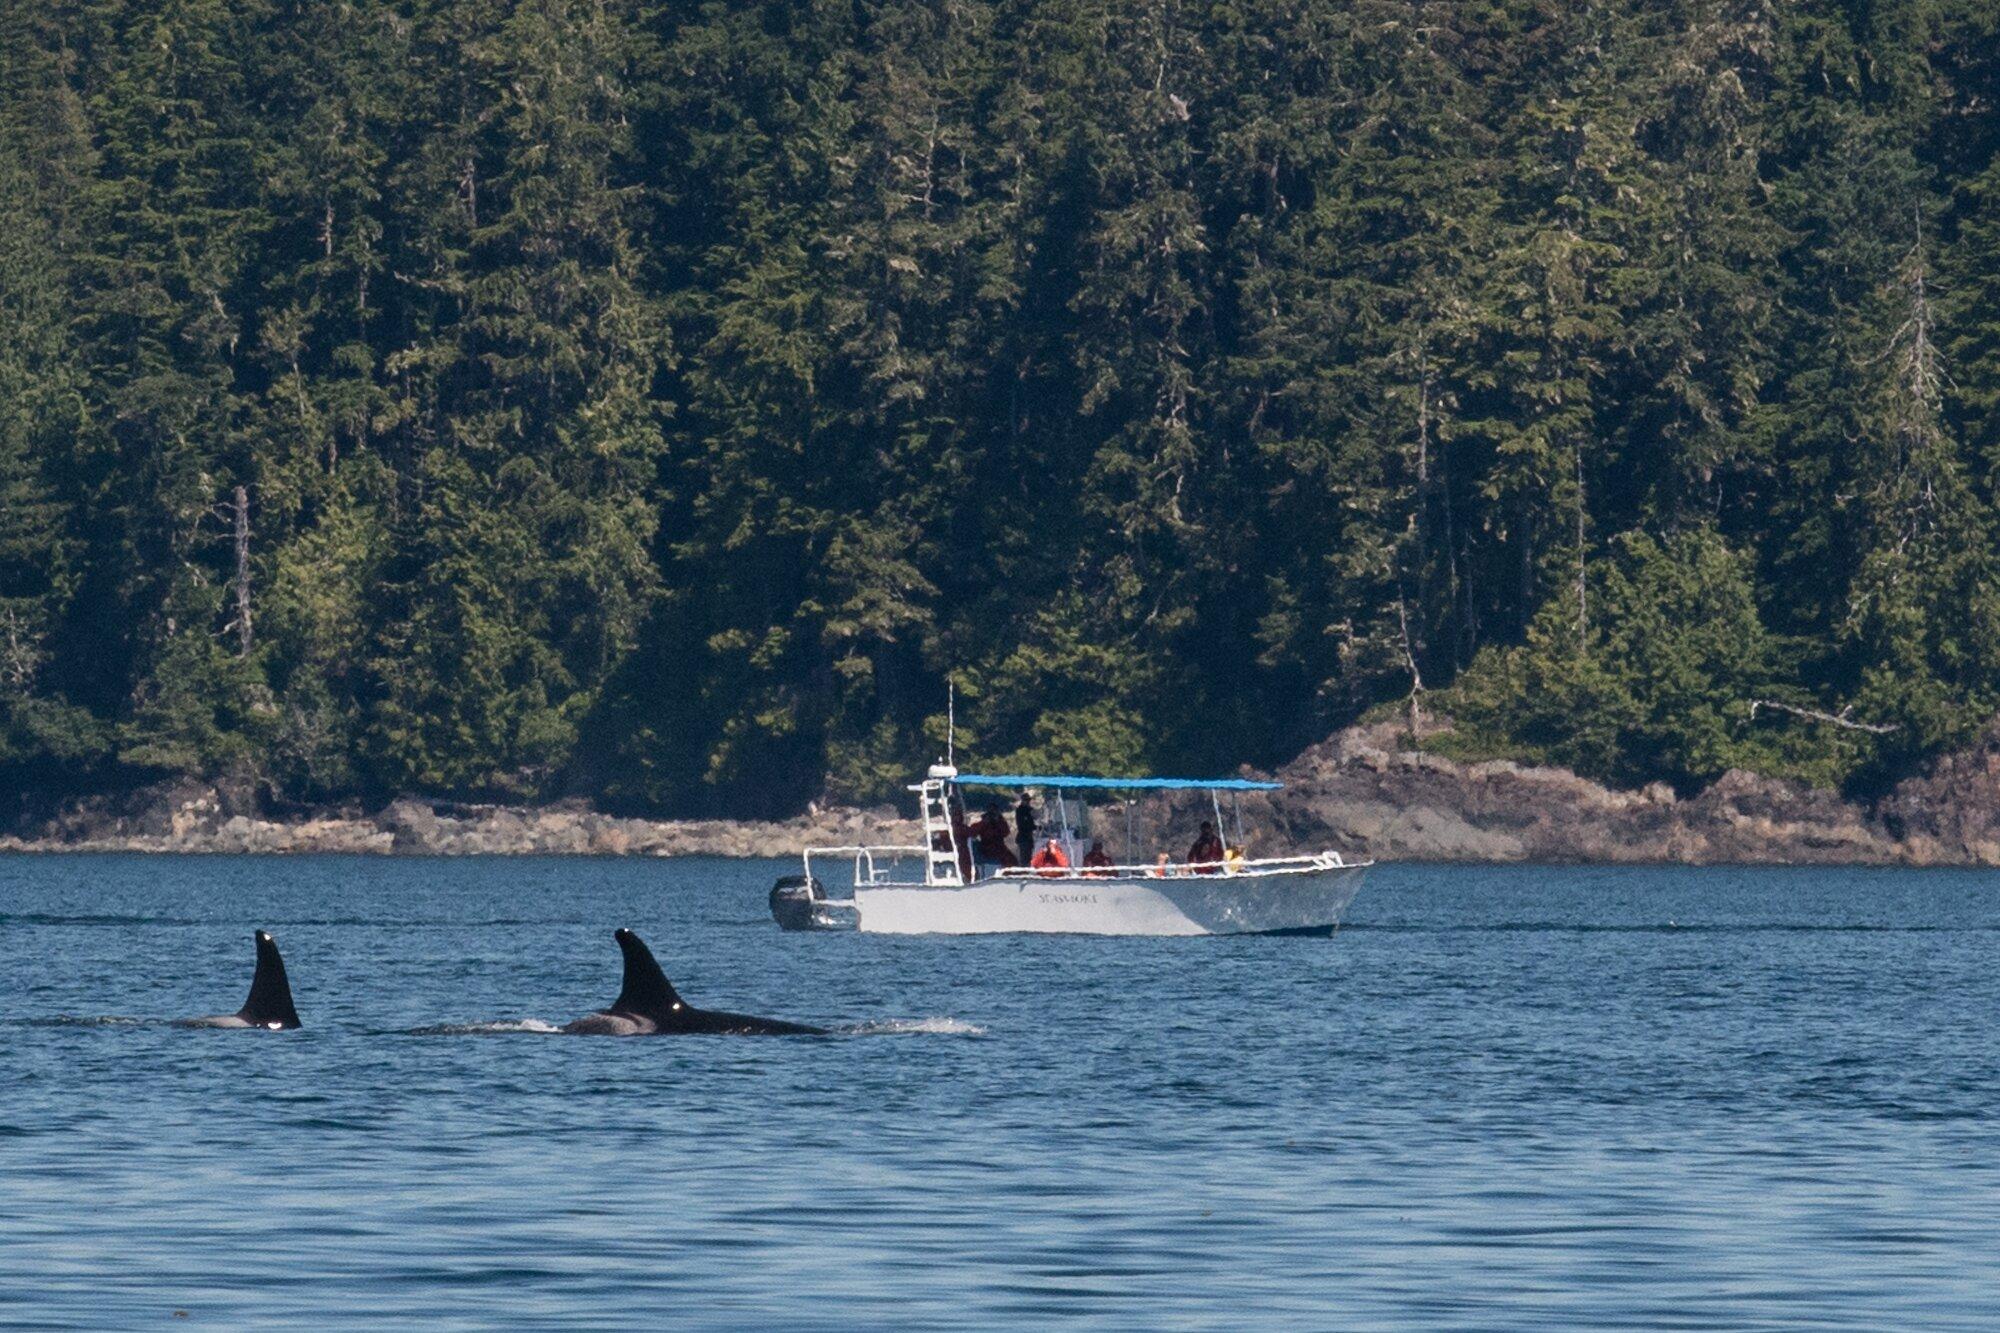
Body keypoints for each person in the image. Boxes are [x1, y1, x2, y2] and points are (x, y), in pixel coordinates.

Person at [969, 801, 1015, 871]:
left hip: (1000, 847)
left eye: (994, 812)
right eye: (991, 812)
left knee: (1012, 860)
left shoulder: (1000, 822)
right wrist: (984, 823)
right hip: (987, 848)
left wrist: (999, 821)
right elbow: (973, 832)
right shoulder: (983, 823)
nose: (992, 816)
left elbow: (1006, 832)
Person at [1013, 791, 1037, 869]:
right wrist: (1034, 827)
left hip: (1029, 837)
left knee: (1029, 856)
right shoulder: (1020, 810)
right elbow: (1023, 824)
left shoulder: (1029, 810)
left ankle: (1027, 869)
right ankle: (1023, 870)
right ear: (1023, 800)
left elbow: (1033, 820)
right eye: (1026, 800)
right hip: (1023, 837)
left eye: (1028, 800)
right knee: (1024, 858)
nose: (1028, 802)